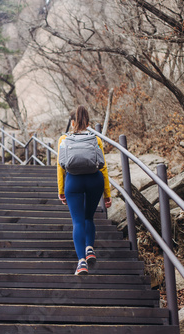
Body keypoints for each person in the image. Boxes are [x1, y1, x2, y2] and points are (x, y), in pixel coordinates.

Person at [57, 105, 112, 275]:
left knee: (78, 221)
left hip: (73, 182)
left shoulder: (63, 139)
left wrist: (61, 190)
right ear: (88, 122)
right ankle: (90, 248)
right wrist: (107, 193)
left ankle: (81, 262)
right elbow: (103, 167)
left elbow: (60, 167)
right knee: (89, 217)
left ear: (72, 122)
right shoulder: (95, 139)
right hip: (94, 181)